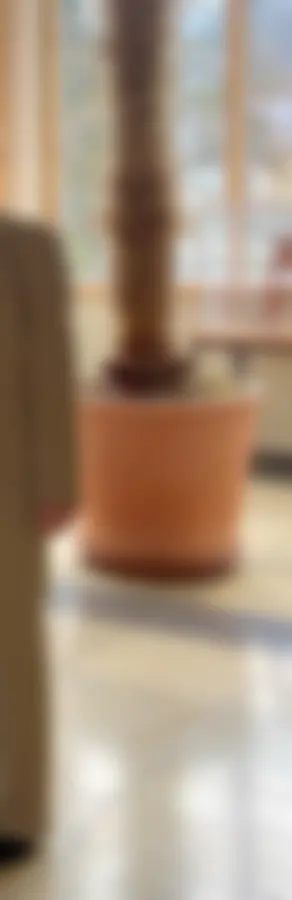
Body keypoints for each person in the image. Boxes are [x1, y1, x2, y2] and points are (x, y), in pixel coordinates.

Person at [0, 216, 77, 864]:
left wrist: (57, 482)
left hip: (9, 487)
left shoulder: (24, 250)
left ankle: (17, 812)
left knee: (12, 648)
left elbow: (51, 371)